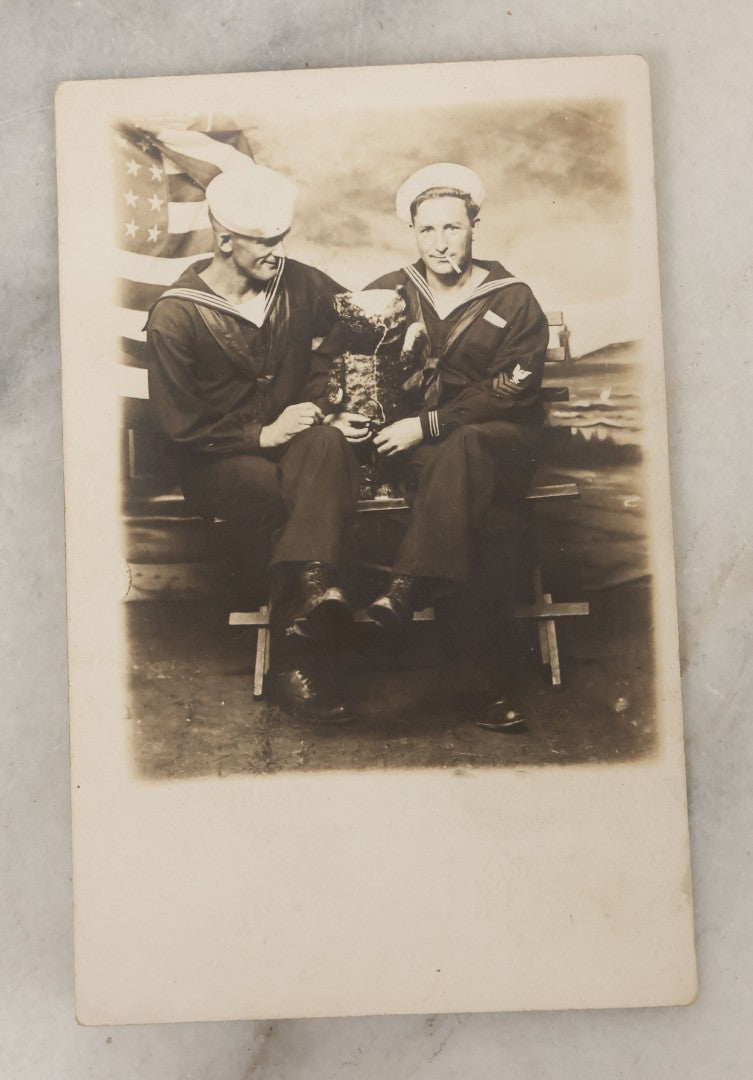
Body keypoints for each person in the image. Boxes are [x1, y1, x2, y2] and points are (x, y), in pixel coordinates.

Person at [145, 165, 370, 723]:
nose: (278, 251)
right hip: (217, 462)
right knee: (288, 494)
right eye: (265, 242)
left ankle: (310, 610)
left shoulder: (299, 284)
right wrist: (262, 434)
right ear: (225, 240)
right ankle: (307, 651)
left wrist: (327, 398)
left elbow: (357, 321)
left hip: (296, 443)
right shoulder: (175, 315)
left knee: (327, 445)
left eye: (281, 238)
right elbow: (178, 426)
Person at [364, 163, 551, 730]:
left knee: (466, 445)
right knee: (490, 523)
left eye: (453, 227)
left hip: (501, 442)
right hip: (425, 454)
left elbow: (506, 393)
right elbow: (349, 366)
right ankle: (485, 691)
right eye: (427, 230)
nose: (440, 243)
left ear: (475, 226)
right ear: (413, 232)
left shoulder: (513, 298)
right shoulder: (392, 292)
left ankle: (406, 587)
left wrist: (427, 425)